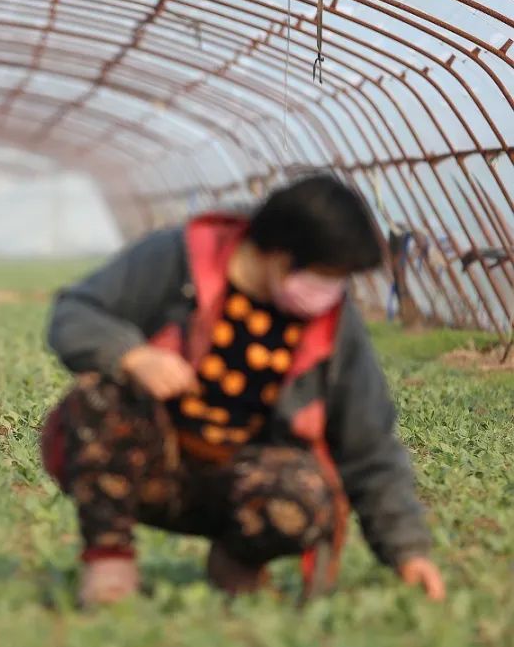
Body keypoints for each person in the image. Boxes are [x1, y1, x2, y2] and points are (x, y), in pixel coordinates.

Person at [40, 172, 445, 606]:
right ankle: (110, 563)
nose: (330, 292)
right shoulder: (177, 257)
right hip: (149, 463)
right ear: (279, 254)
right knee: (101, 397)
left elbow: (368, 441)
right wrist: (133, 356)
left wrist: (406, 550)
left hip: (240, 479)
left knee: (306, 492)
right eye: (325, 275)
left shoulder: (332, 323)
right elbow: (74, 311)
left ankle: (236, 563)